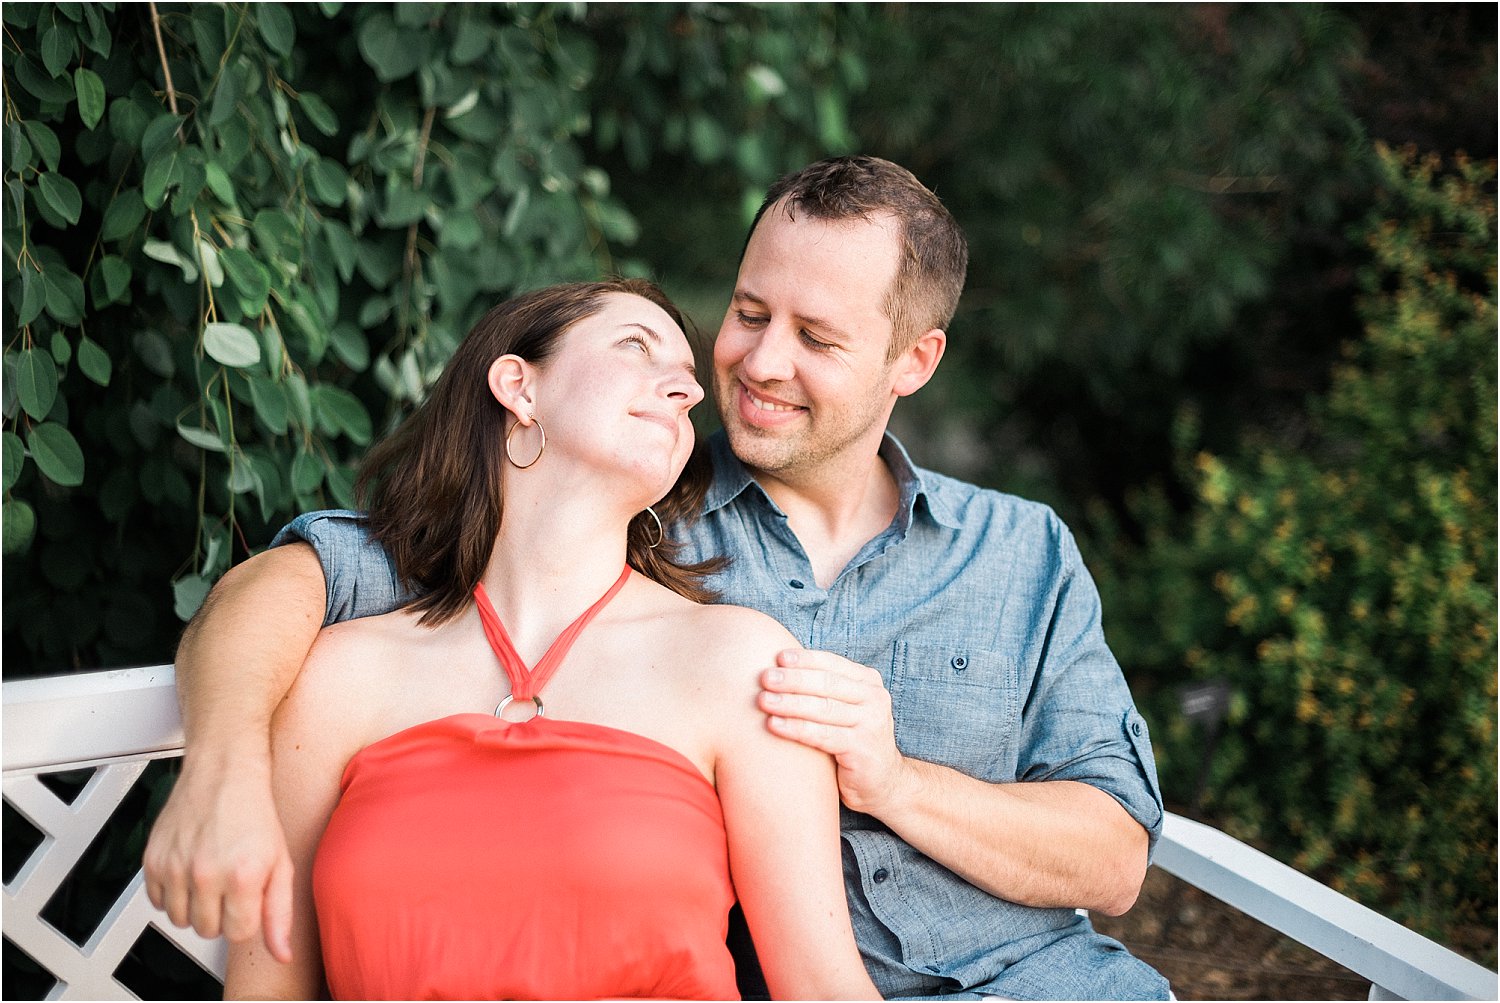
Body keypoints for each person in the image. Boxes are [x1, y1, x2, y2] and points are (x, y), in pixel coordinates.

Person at [147, 156, 1170, 1000]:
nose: (756, 364)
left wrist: (895, 780)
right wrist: (224, 764)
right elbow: (290, 583)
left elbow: (1115, 856)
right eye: (749, 311)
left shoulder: (1019, 549)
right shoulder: (631, 514)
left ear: (915, 361)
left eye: (816, 338)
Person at [216, 278, 879, 1000]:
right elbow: (264, 990)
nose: (687, 393)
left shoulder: (738, 663)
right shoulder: (341, 675)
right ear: (518, 387)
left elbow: (823, 986)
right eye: (637, 345)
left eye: (689, 382)